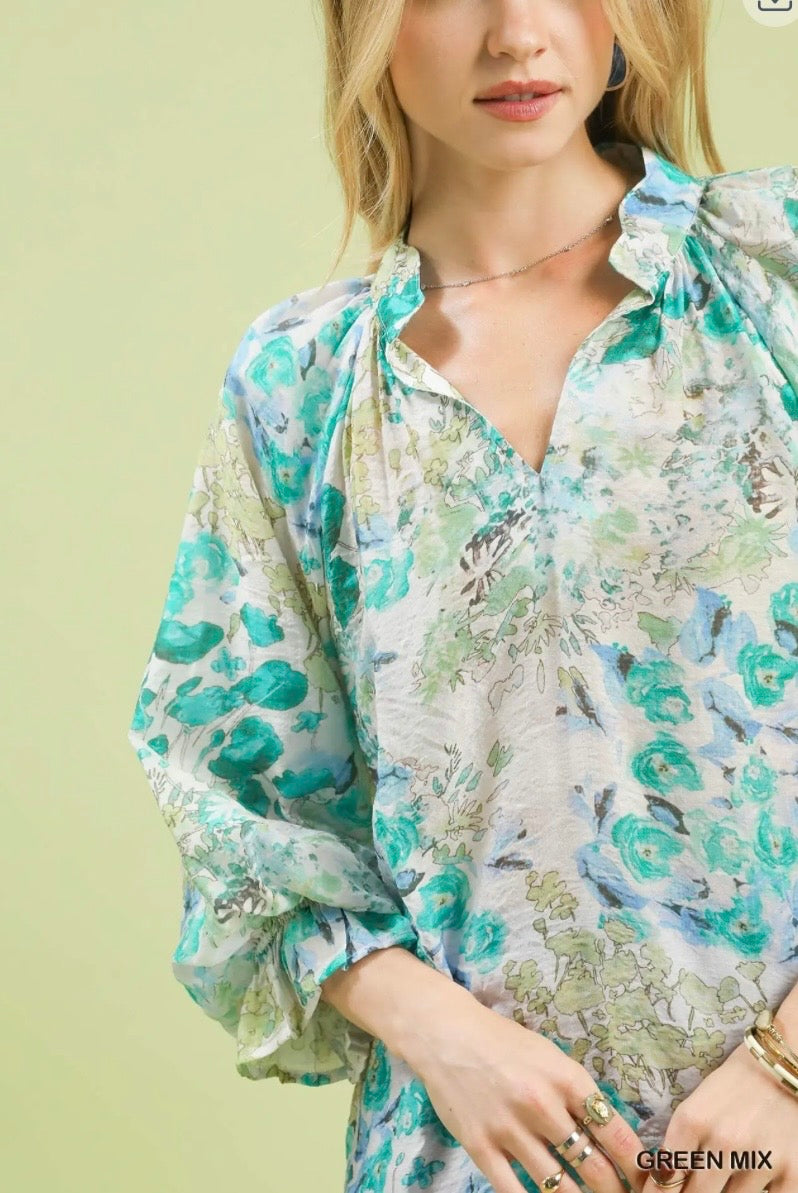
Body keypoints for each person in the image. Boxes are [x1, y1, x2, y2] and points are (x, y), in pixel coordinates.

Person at [126, 1, 798, 1191]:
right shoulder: (304, 382)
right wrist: (446, 1036)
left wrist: (783, 1068)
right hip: (464, 1161)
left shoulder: (772, 274)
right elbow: (243, 810)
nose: (516, 33)